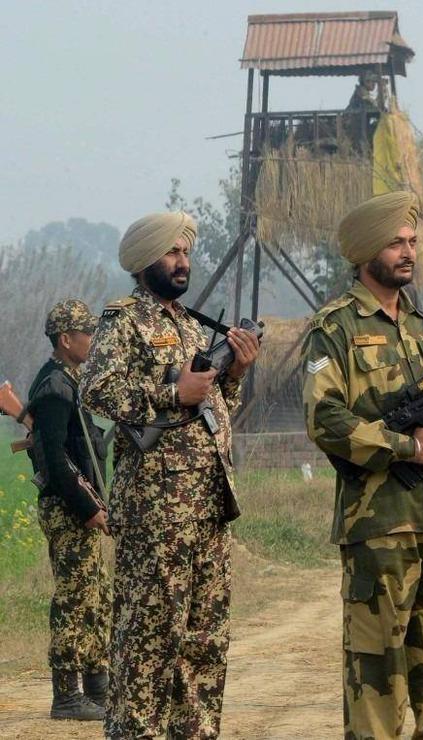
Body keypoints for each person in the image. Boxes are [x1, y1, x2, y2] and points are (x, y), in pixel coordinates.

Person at [301, 191, 423, 740]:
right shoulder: (333, 328)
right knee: (377, 663)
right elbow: (324, 419)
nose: (408, 252)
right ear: (365, 253)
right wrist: (407, 447)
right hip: (381, 520)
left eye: (411, 242)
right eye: (395, 243)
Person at [80, 211, 261, 739]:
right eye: (172, 252)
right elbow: (97, 389)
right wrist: (169, 392)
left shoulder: (190, 322)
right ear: (144, 261)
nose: (183, 262)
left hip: (207, 506)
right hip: (157, 514)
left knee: (204, 641)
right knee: (149, 639)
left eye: (186, 252)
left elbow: (213, 407)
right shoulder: (125, 319)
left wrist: (235, 376)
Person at [27, 299, 110, 721]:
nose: (93, 340)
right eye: (87, 333)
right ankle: (67, 696)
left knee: (97, 598)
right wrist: (86, 507)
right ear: (66, 339)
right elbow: (54, 460)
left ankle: (99, 688)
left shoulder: (67, 380)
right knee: (74, 602)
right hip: (68, 509)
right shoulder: (54, 388)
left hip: (81, 508)